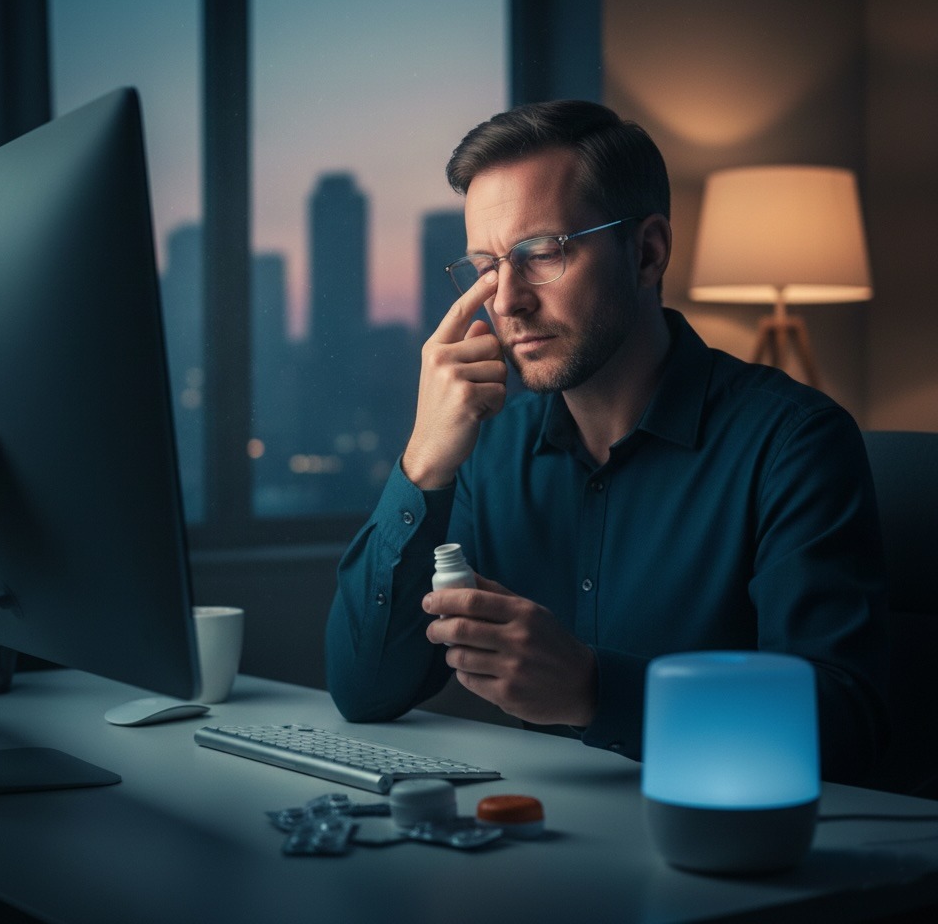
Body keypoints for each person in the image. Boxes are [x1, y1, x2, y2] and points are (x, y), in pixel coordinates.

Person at [325, 100, 888, 784]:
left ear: (647, 253)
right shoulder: (486, 451)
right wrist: (424, 460)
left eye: (540, 255)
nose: (506, 301)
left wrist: (597, 690)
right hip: (542, 856)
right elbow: (364, 691)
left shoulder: (793, 445)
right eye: (486, 266)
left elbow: (847, 729)